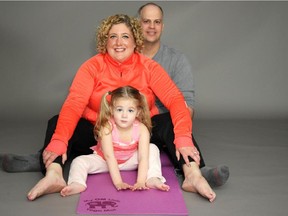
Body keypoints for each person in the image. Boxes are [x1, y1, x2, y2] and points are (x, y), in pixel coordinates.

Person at [3, 14, 215, 202]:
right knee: (57, 121)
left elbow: (175, 99)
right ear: (105, 42)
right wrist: (59, 140)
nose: (119, 42)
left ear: (135, 42)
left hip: (139, 132)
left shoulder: (149, 67)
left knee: (171, 121)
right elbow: (74, 103)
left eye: (125, 36)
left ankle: (193, 175)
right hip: (100, 132)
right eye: (112, 36)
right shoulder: (92, 66)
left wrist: (184, 138)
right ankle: (54, 174)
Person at [137, 2, 229, 188]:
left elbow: (187, 105)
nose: (152, 27)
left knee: (173, 118)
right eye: (146, 21)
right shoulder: (126, 56)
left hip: (162, 124)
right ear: (138, 24)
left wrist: (179, 135)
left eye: (157, 22)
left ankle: (196, 173)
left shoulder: (177, 60)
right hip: (127, 124)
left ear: (163, 26)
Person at [61, 86, 169, 197]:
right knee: (79, 161)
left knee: (152, 148)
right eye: (119, 109)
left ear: (138, 112)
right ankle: (77, 183)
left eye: (130, 110)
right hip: (105, 162)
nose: (124, 115)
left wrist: (140, 181)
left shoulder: (142, 129)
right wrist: (119, 182)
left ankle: (153, 178)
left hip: (130, 160)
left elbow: (143, 157)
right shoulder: (107, 127)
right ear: (112, 109)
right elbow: (109, 157)